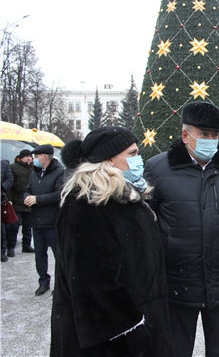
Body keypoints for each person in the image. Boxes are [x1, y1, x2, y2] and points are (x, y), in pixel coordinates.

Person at [144, 101, 219, 357]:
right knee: (175, 350)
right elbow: (146, 230)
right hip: (176, 284)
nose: (210, 140)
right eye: (203, 134)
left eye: (214, 135)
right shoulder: (158, 169)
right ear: (186, 135)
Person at [50, 126, 172, 356]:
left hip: (141, 317)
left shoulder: (127, 197)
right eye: (132, 153)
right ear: (108, 160)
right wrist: (127, 325)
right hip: (109, 337)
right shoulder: (86, 203)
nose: (139, 160)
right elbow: (91, 278)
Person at [24, 144, 64, 296]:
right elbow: (28, 189)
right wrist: (26, 197)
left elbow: (58, 194)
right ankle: (43, 282)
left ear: (44, 157)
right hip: (37, 221)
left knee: (58, 255)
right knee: (39, 255)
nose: (34, 159)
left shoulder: (60, 172)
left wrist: (37, 200)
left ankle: (60, 284)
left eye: (36, 156)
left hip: (53, 222)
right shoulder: (34, 173)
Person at [6, 149, 35, 256]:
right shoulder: (13, 168)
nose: (29, 158)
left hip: (29, 201)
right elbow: (9, 185)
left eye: (30, 156)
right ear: (21, 157)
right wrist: (9, 199)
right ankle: (11, 247)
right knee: (13, 226)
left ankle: (26, 245)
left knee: (28, 226)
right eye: (26, 156)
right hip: (16, 201)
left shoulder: (34, 169)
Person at [1, 159, 14, 262]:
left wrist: (2, 187)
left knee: (2, 230)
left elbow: (9, 179)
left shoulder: (4, 165)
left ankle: (2, 252)